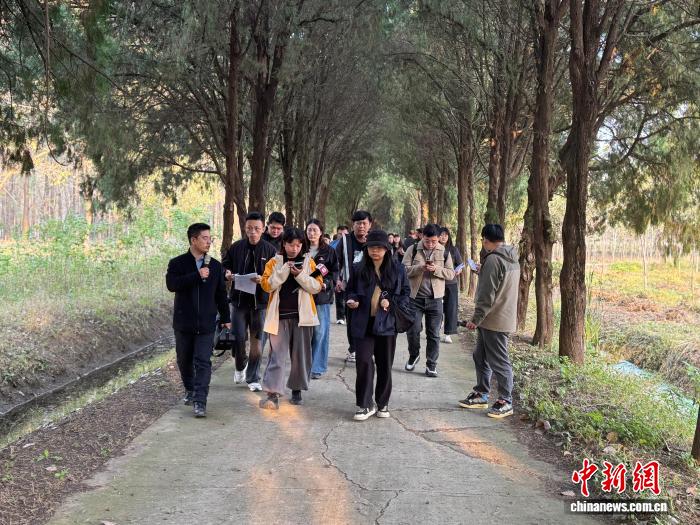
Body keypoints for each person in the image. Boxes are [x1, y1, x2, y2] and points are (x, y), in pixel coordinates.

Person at [166, 223, 231, 418]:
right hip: (183, 323)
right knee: (184, 360)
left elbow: (221, 294)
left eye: (210, 238)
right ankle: (190, 388)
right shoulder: (177, 263)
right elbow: (172, 285)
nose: (209, 242)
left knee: (203, 361)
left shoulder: (215, 265)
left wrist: (226, 318)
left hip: (206, 324)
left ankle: (200, 401)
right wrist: (196, 275)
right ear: (193, 240)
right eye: (204, 238)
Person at [346, 230, 410, 421]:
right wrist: (352, 300)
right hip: (363, 322)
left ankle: (383, 402)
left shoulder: (397, 269)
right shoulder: (358, 268)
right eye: (371, 247)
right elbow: (350, 291)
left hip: (387, 323)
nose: (375, 251)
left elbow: (405, 294)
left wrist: (391, 302)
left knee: (385, 364)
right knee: (363, 362)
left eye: (379, 247)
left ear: (387, 249)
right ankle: (365, 404)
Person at [460, 224, 519, 419]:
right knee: (480, 356)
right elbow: (500, 283)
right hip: (499, 316)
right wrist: (483, 271)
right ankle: (481, 392)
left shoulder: (493, 259)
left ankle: (506, 400)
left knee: (499, 360)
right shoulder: (510, 257)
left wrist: (475, 319)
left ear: (485, 240)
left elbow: (487, 295)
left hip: (494, 319)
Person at [259, 228, 323, 409]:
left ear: (302, 245)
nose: (294, 249)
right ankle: (272, 394)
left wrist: (299, 275)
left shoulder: (310, 263)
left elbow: (316, 286)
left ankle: (297, 389)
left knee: (300, 356)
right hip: (278, 317)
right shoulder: (274, 262)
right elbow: (266, 285)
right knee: (276, 356)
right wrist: (284, 271)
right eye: (290, 245)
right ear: (284, 244)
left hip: (303, 318)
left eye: (298, 245)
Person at [222, 211, 277, 392]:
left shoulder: (270, 250)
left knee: (257, 343)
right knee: (238, 338)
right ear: (245, 228)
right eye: (249, 228)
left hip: (260, 303)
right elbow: (225, 265)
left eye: (257, 229)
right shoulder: (236, 247)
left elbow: (276, 276)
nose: (253, 232)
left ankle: (253, 377)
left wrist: (263, 279)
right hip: (238, 302)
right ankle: (240, 365)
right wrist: (227, 273)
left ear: (263, 229)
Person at [402, 223, 455, 377]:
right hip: (415, 298)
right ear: (422, 237)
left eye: (434, 241)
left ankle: (431, 365)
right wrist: (420, 268)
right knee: (412, 330)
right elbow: (403, 270)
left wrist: (436, 269)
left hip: (435, 299)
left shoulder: (444, 252)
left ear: (438, 239)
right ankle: (414, 355)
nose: (430, 244)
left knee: (434, 334)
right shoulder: (412, 249)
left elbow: (451, 274)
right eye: (427, 241)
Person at [335, 210, 373, 362]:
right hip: (351, 287)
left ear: (370, 224)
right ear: (353, 225)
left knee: (370, 318)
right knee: (352, 320)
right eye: (358, 223)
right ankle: (353, 348)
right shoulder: (345, 241)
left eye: (364, 223)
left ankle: (368, 348)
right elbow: (336, 261)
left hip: (371, 287)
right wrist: (337, 279)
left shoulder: (374, 240)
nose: (361, 226)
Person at [305, 219, 340, 379]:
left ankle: (317, 367)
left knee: (320, 332)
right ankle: (304, 365)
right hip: (302, 295)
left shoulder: (328, 251)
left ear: (321, 232)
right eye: (309, 230)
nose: (312, 233)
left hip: (321, 297)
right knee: (304, 333)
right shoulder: (301, 248)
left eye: (315, 230)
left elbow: (334, 271)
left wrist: (327, 283)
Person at [439, 227, 464, 344]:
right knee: (437, 308)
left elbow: (460, 264)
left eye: (446, 235)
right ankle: (435, 329)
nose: (443, 237)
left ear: (448, 236)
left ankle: (448, 334)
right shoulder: (434, 248)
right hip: (437, 282)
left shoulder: (453, 250)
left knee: (450, 308)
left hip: (451, 283)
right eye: (441, 234)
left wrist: (458, 270)